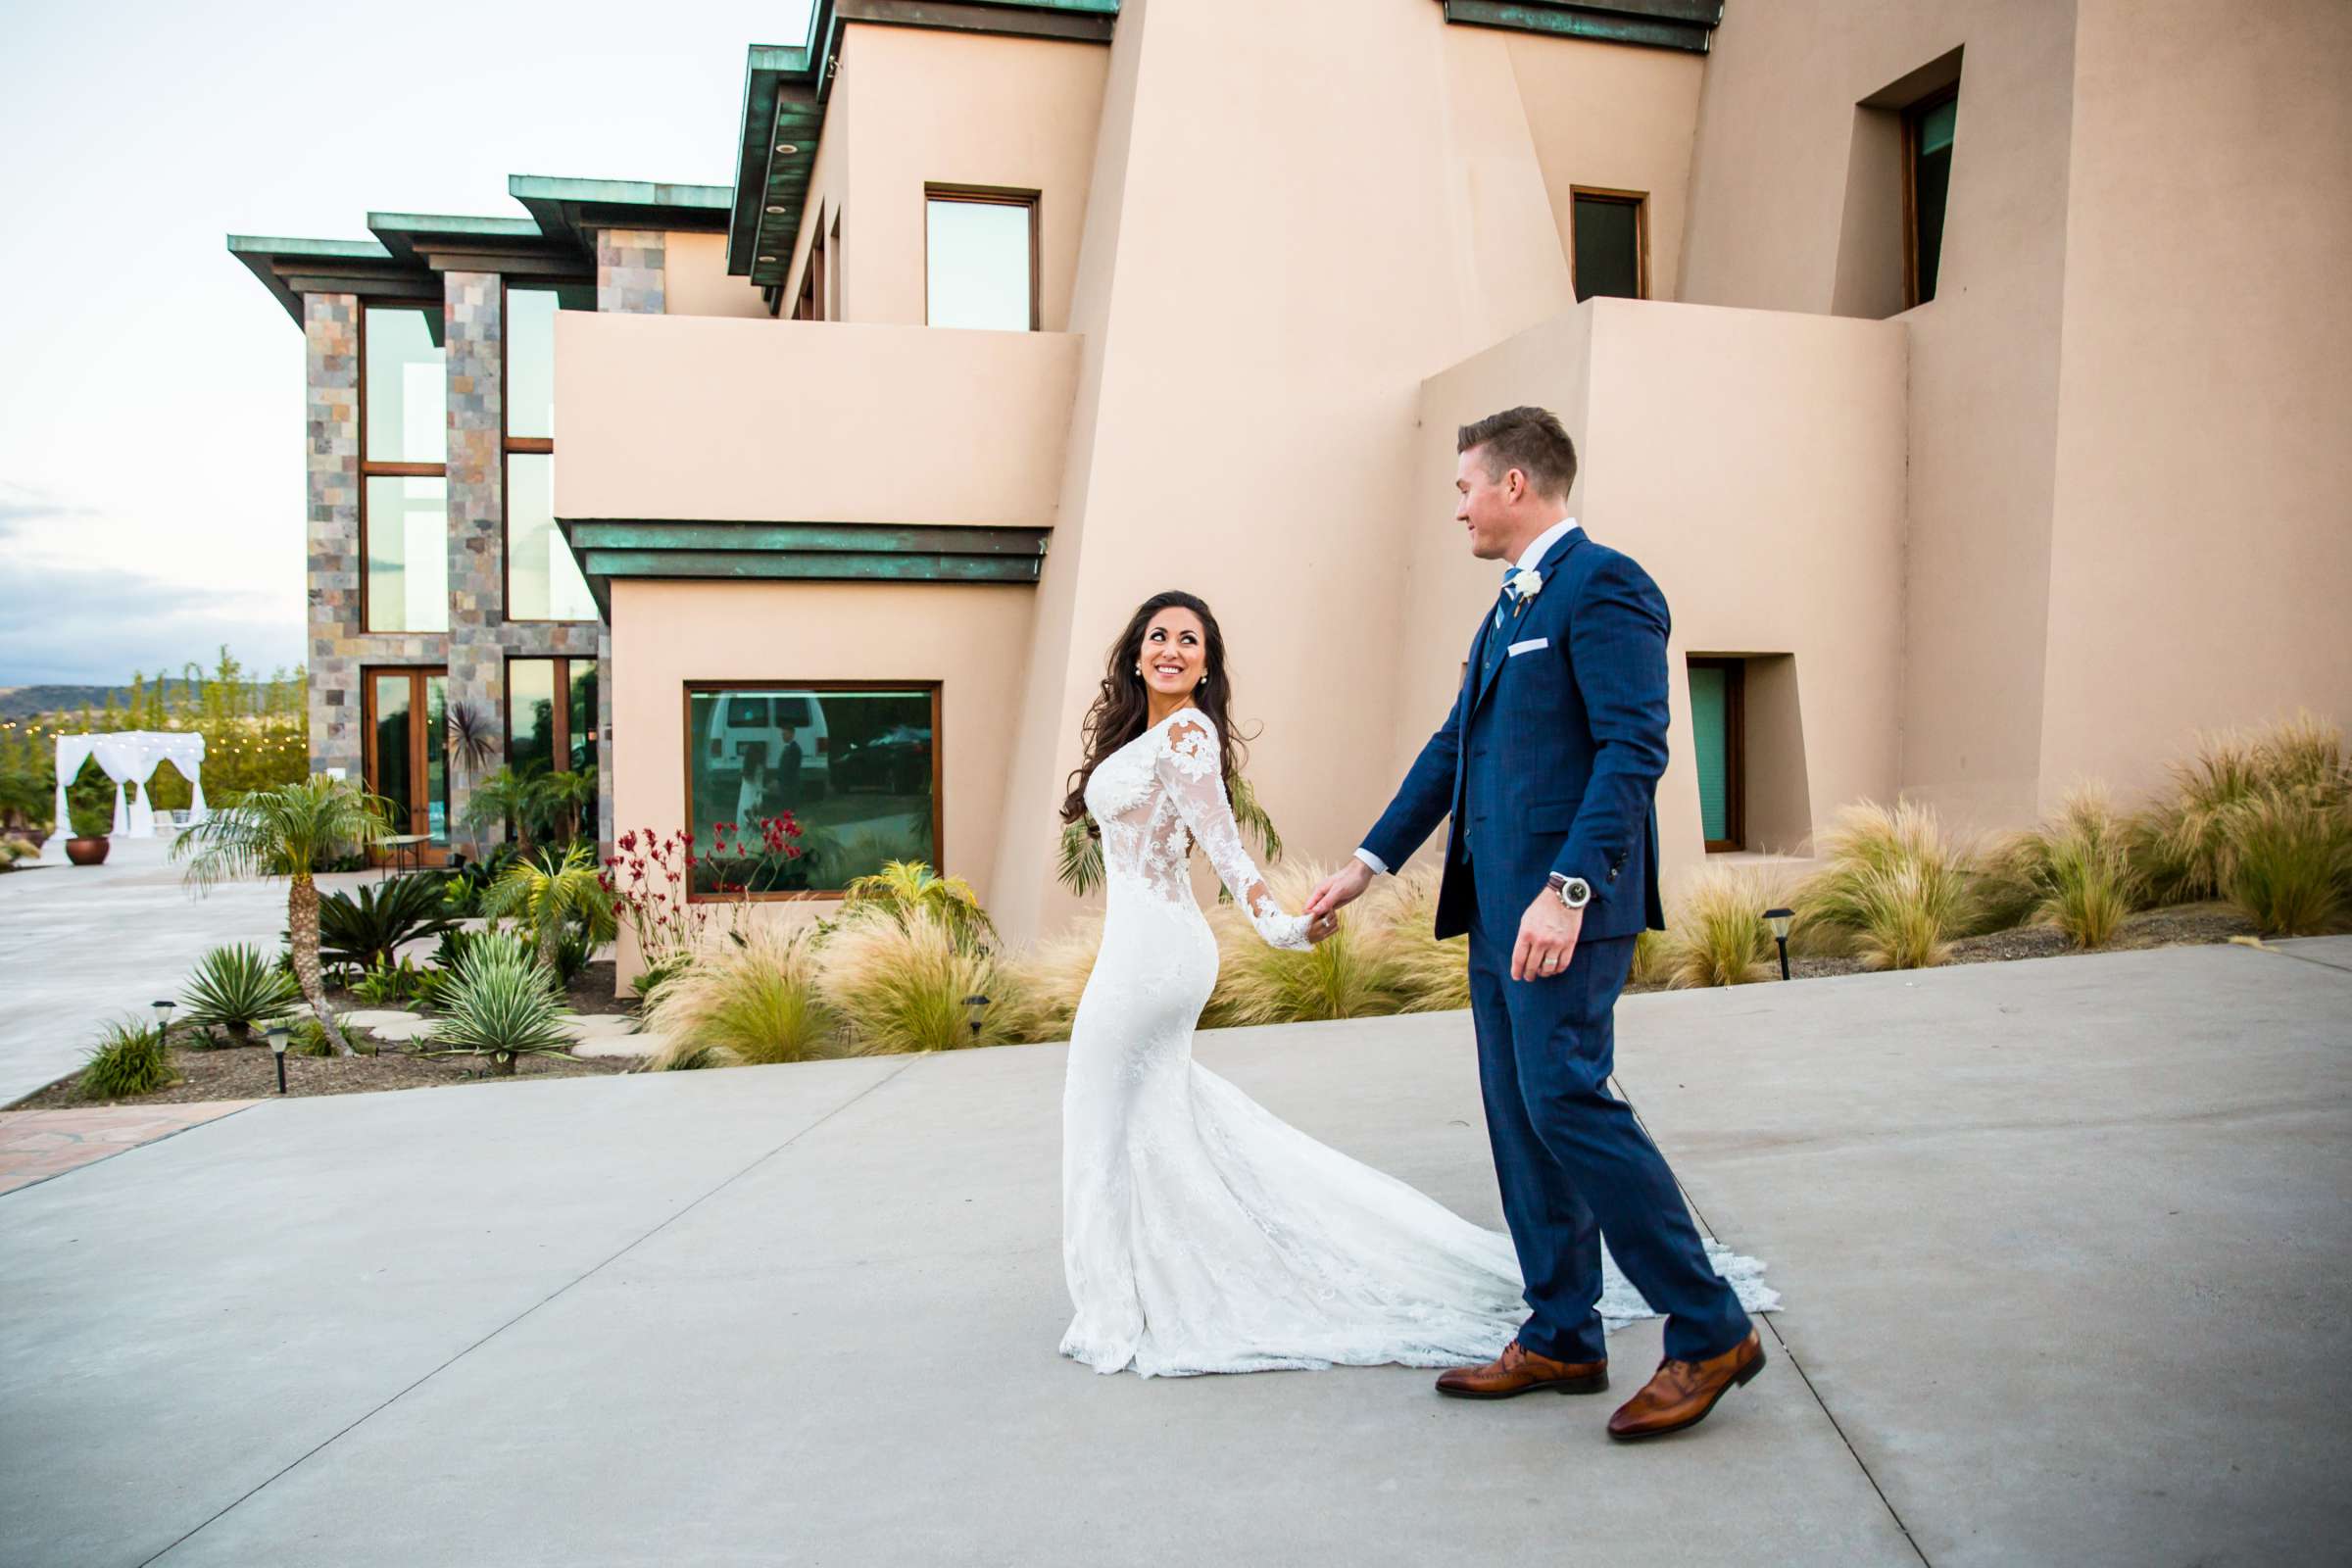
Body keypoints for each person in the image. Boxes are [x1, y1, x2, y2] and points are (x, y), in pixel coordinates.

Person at [1055, 588, 1772, 1385]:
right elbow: (1441, 753)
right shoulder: (1147, 733)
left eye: (1191, 640)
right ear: (1134, 651)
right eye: (1159, 636)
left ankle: (1119, 1302)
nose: (1172, 650)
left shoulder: (1186, 736)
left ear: (1208, 665)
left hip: (1154, 958)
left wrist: (1286, 928)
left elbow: (1225, 852)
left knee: (1101, 1107)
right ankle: (1145, 1279)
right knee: (1144, 1115)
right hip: (1138, 947)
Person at [1306, 406, 1765, 1441]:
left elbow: (1632, 748)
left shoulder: (1607, 585)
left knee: (1567, 1099)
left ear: (1516, 484)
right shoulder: (1507, 610)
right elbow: (1450, 753)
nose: (1458, 504)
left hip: (1561, 909)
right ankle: (1563, 1329)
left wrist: (1569, 890)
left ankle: (1708, 1327)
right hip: (1494, 910)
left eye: (1467, 484)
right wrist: (1365, 866)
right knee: (1521, 1115)